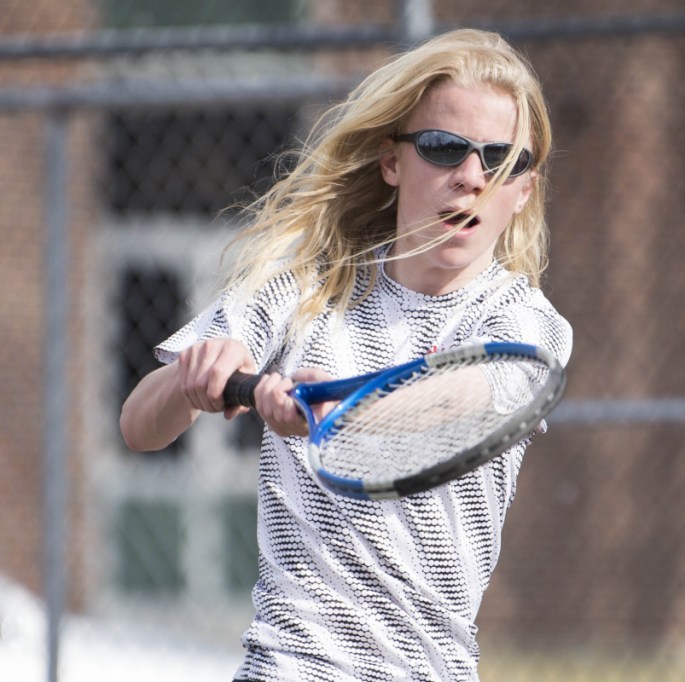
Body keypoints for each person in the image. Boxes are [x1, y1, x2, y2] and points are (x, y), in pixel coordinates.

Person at [120, 28, 573, 682]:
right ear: (393, 162)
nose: (471, 177)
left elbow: (475, 390)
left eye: (500, 159)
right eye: (445, 149)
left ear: (523, 189)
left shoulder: (522, 322)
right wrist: (195, 378)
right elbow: (138, 425)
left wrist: (339, 408)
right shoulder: (302, 287)